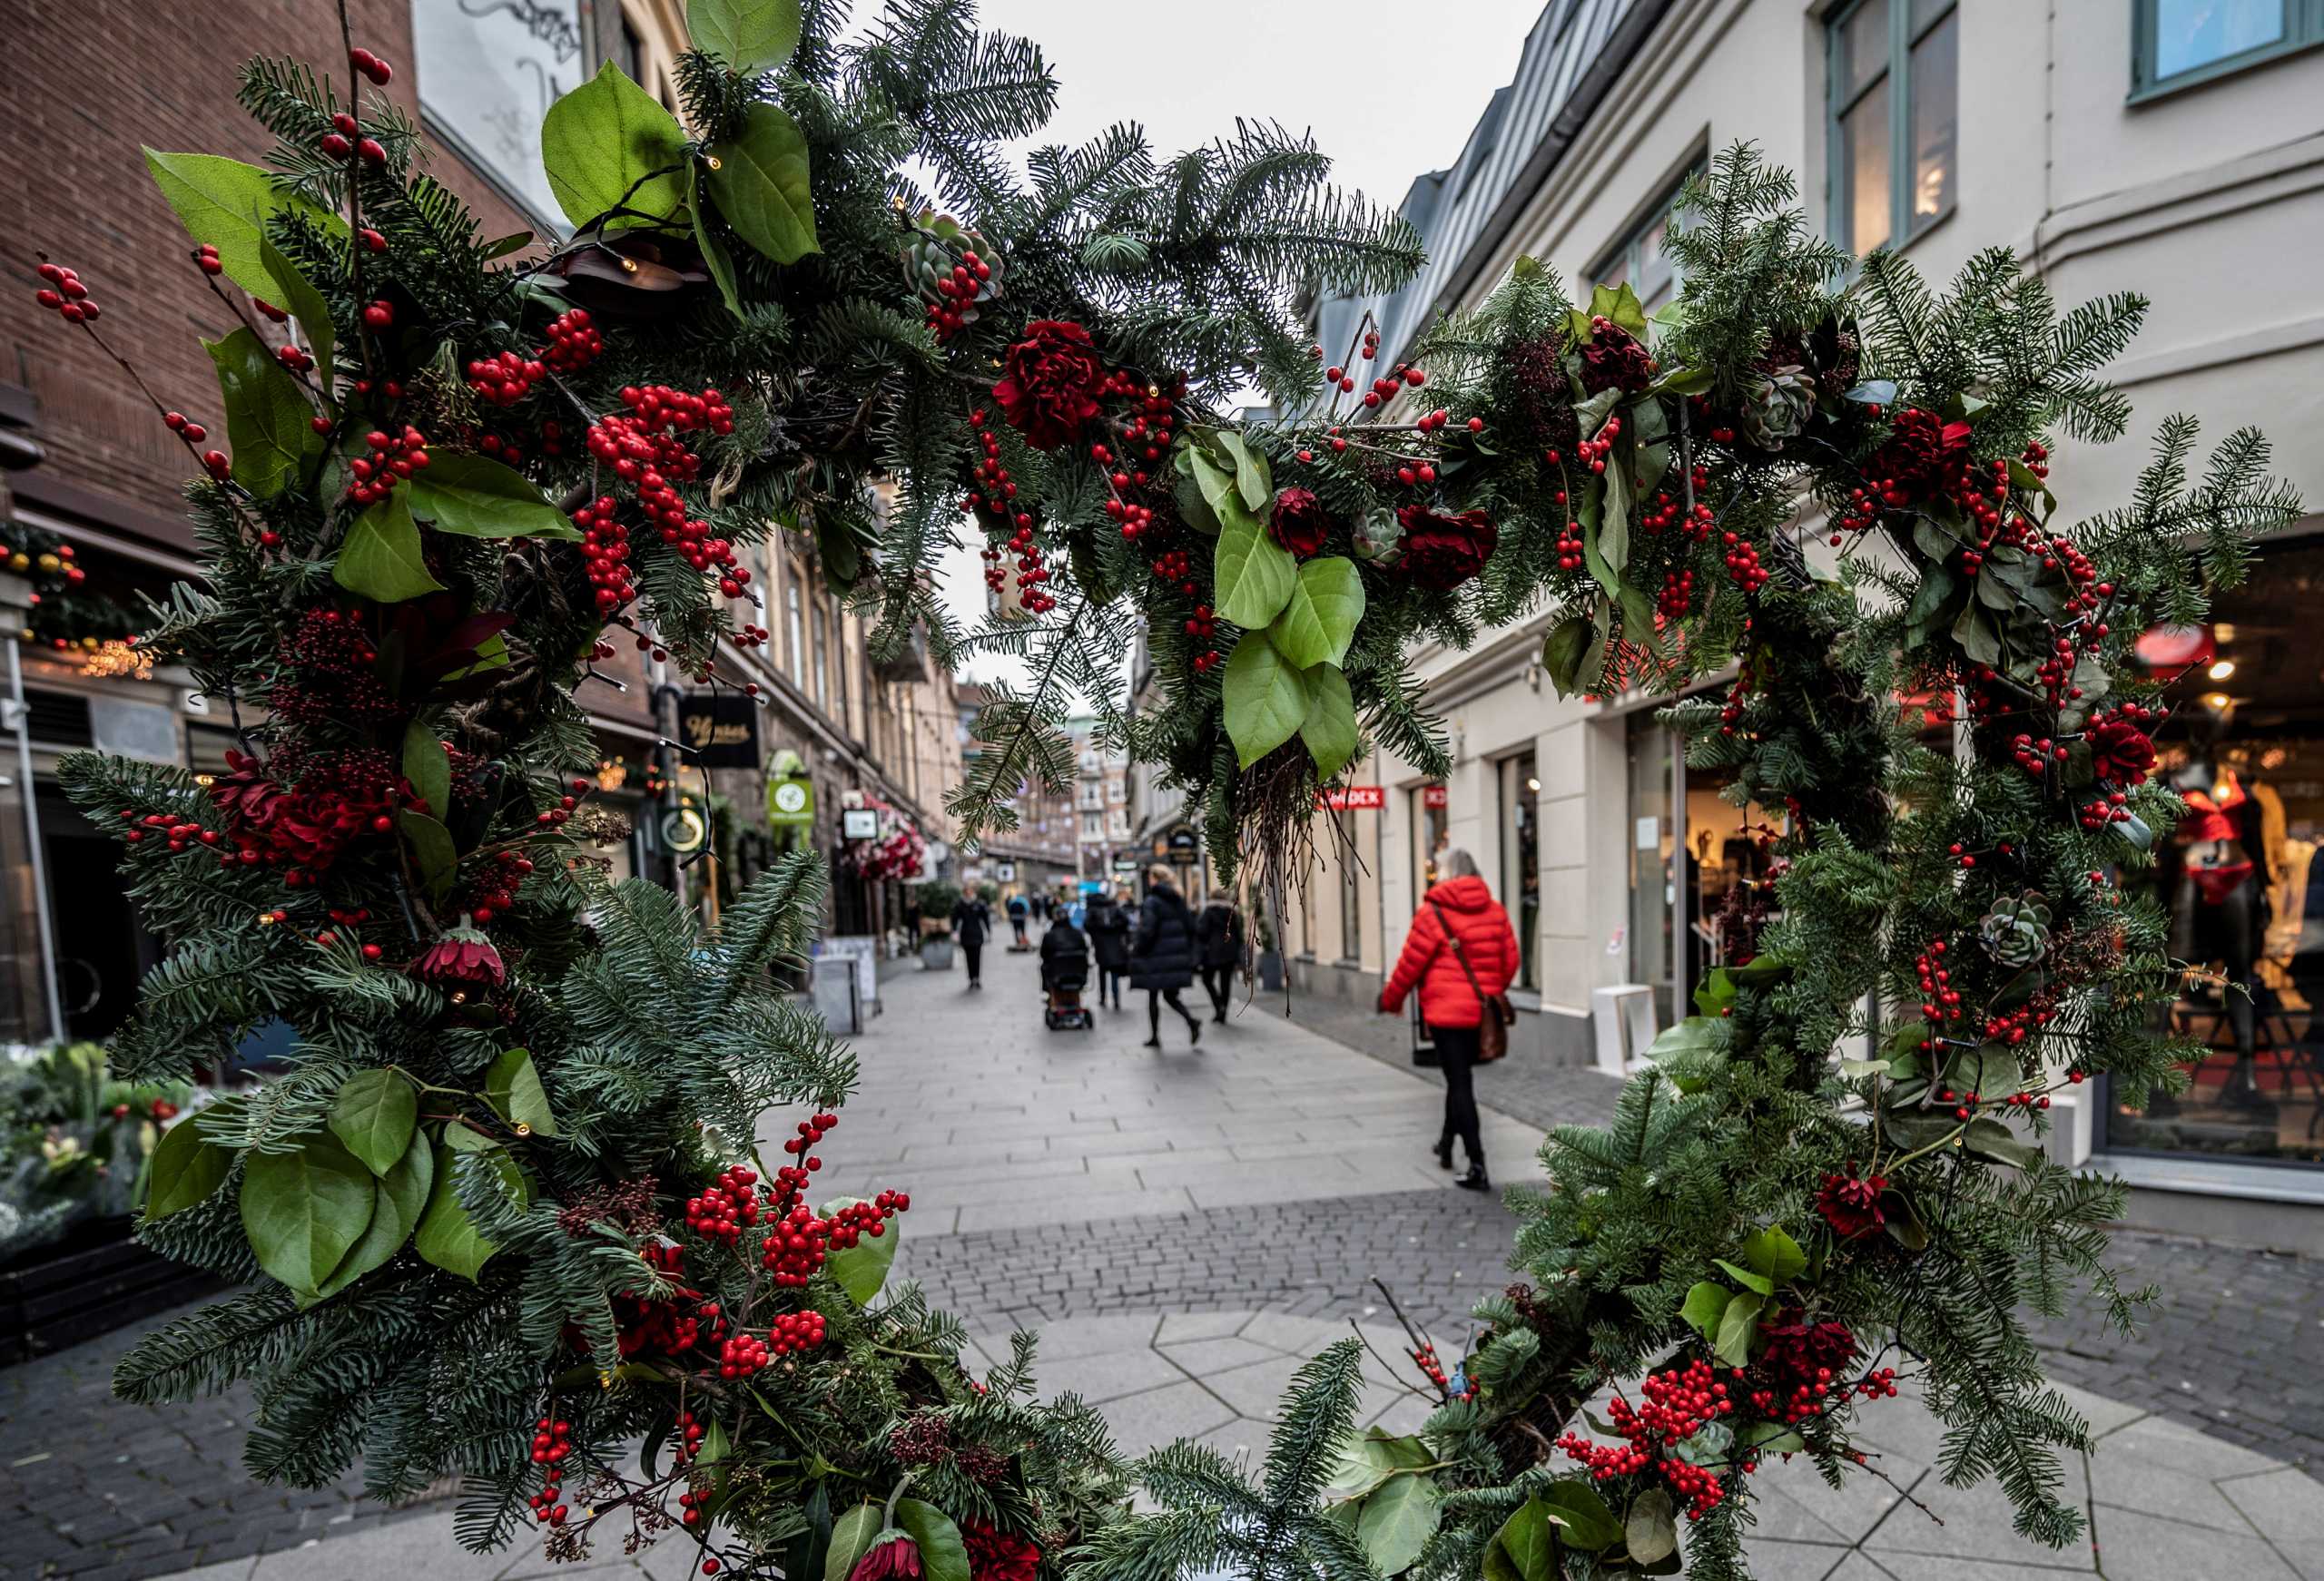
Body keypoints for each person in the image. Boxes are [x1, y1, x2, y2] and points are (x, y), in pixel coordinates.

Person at [1379, 849, 1519, 1192]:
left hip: (1446, 1015)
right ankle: (1445, 1143)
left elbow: (1410, 964)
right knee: (1460, 1080)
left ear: (1445, 873)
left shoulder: (1432, 913)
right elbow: (1511, 960)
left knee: (1460, 1083)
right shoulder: (1495, 910)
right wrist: (1490, 990)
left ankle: (1477, 1164)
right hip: (1481, 1013)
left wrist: (1391, 999)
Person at [1129, 865, 1202, 1048]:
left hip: (1155, 955)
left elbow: (1148, 930)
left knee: (1153, 996)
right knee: (1170, 996)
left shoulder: (1152, 901)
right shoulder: (1178, 899)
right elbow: (1190, 927)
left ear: (1155, 879)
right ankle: (1191, 1021)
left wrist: (1137, 948)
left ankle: (1155, 1036)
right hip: (1175, 956)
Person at [1195, 893, 1243, 1023]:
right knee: (1225, 983)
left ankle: (1218, 1006)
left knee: (1206, 979)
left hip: (1213, 951)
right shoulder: (1232, 912)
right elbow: (1238, 933)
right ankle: (1223, 1012)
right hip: (1230, 951)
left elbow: (1201, 931)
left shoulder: (1209, 911)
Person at [1084, 885, 1132, 1009]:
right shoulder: (1114, 908)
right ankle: (1116, 999)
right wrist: (1116, 929)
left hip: (1101, 945)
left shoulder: (1093, 910)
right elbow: (1125, 922)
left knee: (1102, 973)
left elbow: (1087, 925)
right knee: (1114, 974)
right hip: (1115, 944)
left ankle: (1103, 998)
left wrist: (1097, 932)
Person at [950, 887, 993, 989]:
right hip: (965, 935)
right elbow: (954, 919)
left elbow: (985, 918)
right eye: (966, 892)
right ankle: (971, 978)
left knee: (977, 957)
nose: (968, 894)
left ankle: (977, 978)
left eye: (970, 892)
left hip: (977, 934)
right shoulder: (959, 905)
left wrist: (988, 931)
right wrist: (955, 932)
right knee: (968, 958)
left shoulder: (979, 904)